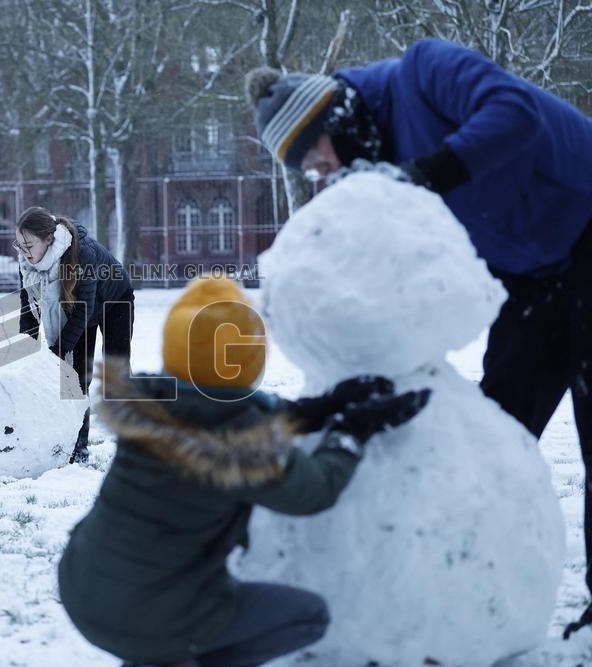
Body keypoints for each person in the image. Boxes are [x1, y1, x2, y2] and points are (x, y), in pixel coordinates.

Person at [246, 38, 592, 637]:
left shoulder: (424, 71)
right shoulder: (373, 166)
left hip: (588, 226)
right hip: (534, 278)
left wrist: (423, 176)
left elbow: (516, 115)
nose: (319, 174)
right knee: (496, 432)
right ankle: (467, 589)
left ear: (333, 119)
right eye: (306, 170)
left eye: (313, 156)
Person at [58, 277, 431, 667]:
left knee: (150, 623)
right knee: (308, 615)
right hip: (150, 613)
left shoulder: (152, 408)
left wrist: (315, 410)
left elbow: (216, 410)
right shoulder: (239, 449)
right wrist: (351, 432)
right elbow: (314, 490)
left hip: (81, 585)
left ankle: (153, 654)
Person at [15, 206, 134, 464]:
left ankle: (134, 443)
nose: (23, 252)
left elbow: (84, 310)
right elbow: (27, 307)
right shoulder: (27, 261)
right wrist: (26, 351)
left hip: (114, 302)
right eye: (20, 245)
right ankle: (77, 451)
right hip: (81, 311)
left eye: (29, 245)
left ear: (48, 239)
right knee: (75, 380)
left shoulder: (82, 254)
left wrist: (58, 349)